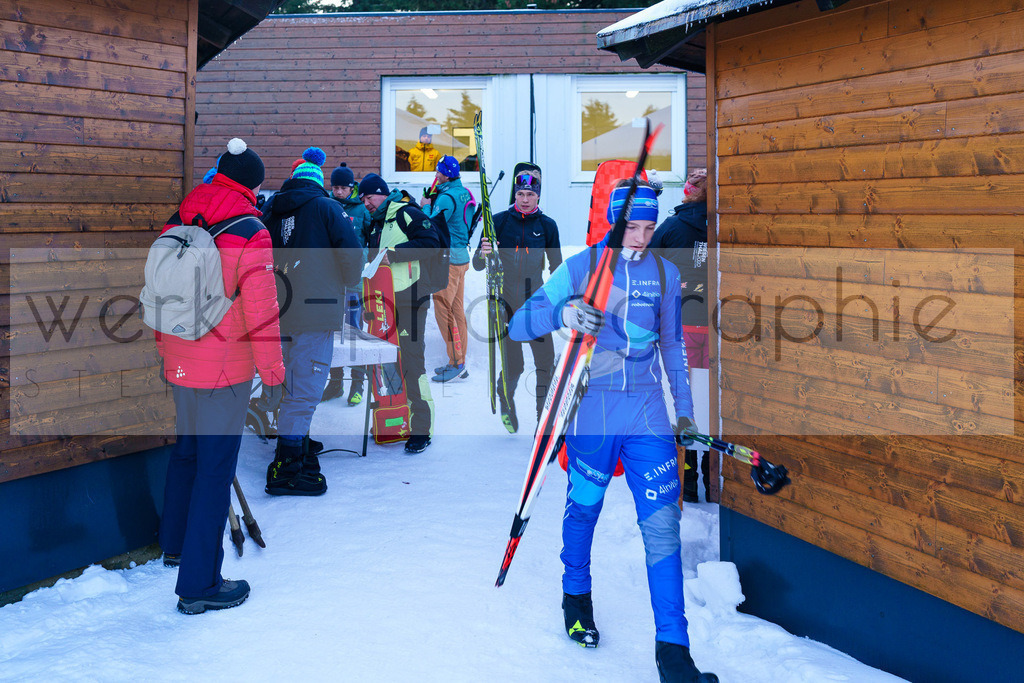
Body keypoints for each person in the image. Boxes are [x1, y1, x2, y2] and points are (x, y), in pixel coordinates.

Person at [507, 181, 717, 682]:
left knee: (662, 528)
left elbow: (672, 347)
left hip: (647, 413)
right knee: (584, 510)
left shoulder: (664, 273)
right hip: (592, 413)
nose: (641, 238)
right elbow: (518, 324)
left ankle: (675, 654)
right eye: (632, 227)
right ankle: (576, 597)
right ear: (614, 222)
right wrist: (562, 312)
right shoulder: (583, 267)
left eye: (649, 228)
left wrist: (685, 412)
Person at [157, 137, 286, 614]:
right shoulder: (251, 230)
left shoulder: (180, 217)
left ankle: (174, 546)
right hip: (223, 369)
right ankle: (200, 585)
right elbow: (262, 311)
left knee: (186, 453)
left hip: (179, 356)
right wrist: (273, 373)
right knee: (215, 469)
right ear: (254, 185)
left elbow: (159, 290)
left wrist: (165, 351)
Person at [260, 147, 363, 496]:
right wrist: (347, 281)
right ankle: (287, 468)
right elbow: (352, 256)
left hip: (275, 310)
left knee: (287, 382)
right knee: (304, 390)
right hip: (315, 311)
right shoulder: (326, 207)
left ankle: (296, 442)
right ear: (318, 183)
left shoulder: (270, 209)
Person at [359, 173, 442, 454]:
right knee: (389, 361)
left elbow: (432, 242)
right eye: (363, 199)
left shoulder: (406, 212)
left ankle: (421, 428)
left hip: (411, 298)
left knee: (412, 361)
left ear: (382, 193)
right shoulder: (376, 223)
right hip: (384, 301)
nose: (366, 203)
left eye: (369, 197)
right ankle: (398, 420)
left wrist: (394, 253)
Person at [473, 169, 561, 432]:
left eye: (530, 194)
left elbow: (557, 268)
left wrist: (559, 300)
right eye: (520, 193)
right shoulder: (498, 222)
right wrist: (484, 252)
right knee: (515, 366)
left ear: (538, 196)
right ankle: (505, 395)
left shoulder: (547, 226)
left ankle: (542, 422)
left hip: (537, 306)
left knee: (545, 364)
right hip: (506, 306)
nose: (524, 199)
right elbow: (477, 263)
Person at [650, 168, 709, 503]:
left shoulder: (672, 226)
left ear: (689, 191)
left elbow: (645, 264)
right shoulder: (720, 225)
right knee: (707, 399)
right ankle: (709, 475)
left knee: (683, 398)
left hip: (680, 325)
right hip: (712, 326)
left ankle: (687, 479)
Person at [322, 163, 372, 407]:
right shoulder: (327, 206)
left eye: (343, 188)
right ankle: (335, 382)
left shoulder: (362, 210)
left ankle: (358, 383)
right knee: (333, 333)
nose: (339, 192)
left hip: (353, 283)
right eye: (335, 187)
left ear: (352, 188)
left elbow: (370, 241)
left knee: (353, 333)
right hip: (330, 282)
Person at [421, 155, 472, 383]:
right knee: (456, 310)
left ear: (446, 174)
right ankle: (458, 360)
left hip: (448, 261)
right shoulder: (463, 192)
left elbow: (430, 226)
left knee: (443, 310)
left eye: (438, 171)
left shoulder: (446, 198)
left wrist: (425, 206)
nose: (436, 174)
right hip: (461, 258)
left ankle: (457, 362)